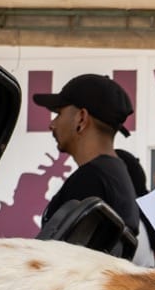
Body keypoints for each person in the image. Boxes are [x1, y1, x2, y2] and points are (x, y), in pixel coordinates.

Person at [33, 74, 142, 245]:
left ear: (81, 118)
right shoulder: (116, 174)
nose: (52, 125)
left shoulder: (90, 180)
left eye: (59, 114)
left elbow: (66, 262)